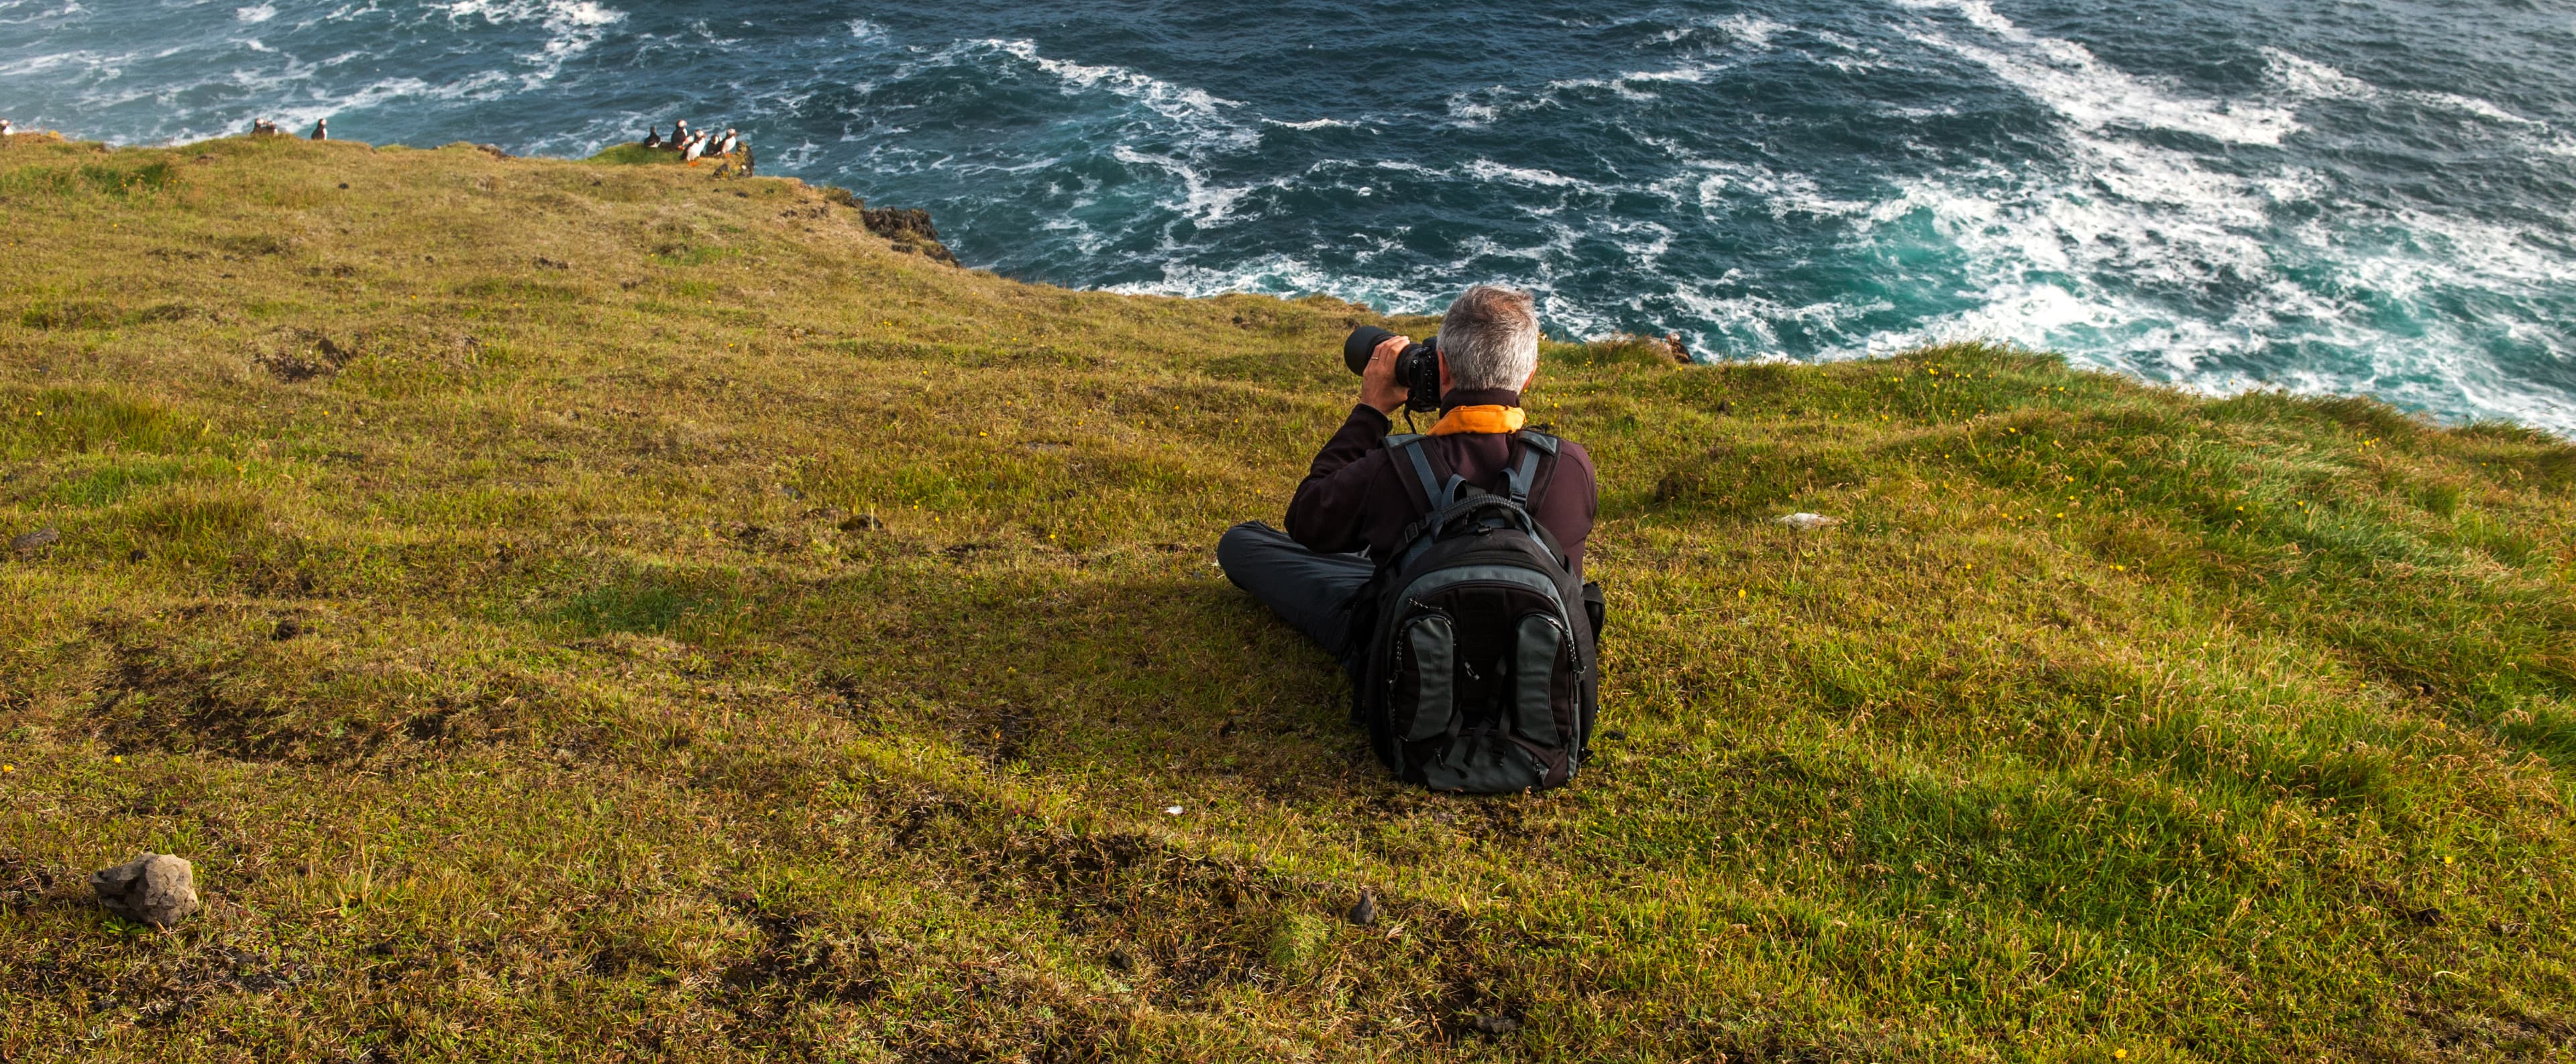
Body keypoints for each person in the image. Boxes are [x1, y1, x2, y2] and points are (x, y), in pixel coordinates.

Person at [1216, 284, 1599, 684]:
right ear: (1529, 377)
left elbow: (1307, 520)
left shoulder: (1394, 469)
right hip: (1537, 666)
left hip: (1408, 655)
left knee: (1242, 543)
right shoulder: (1571, 466)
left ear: (1443, 368)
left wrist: (1371, 411)